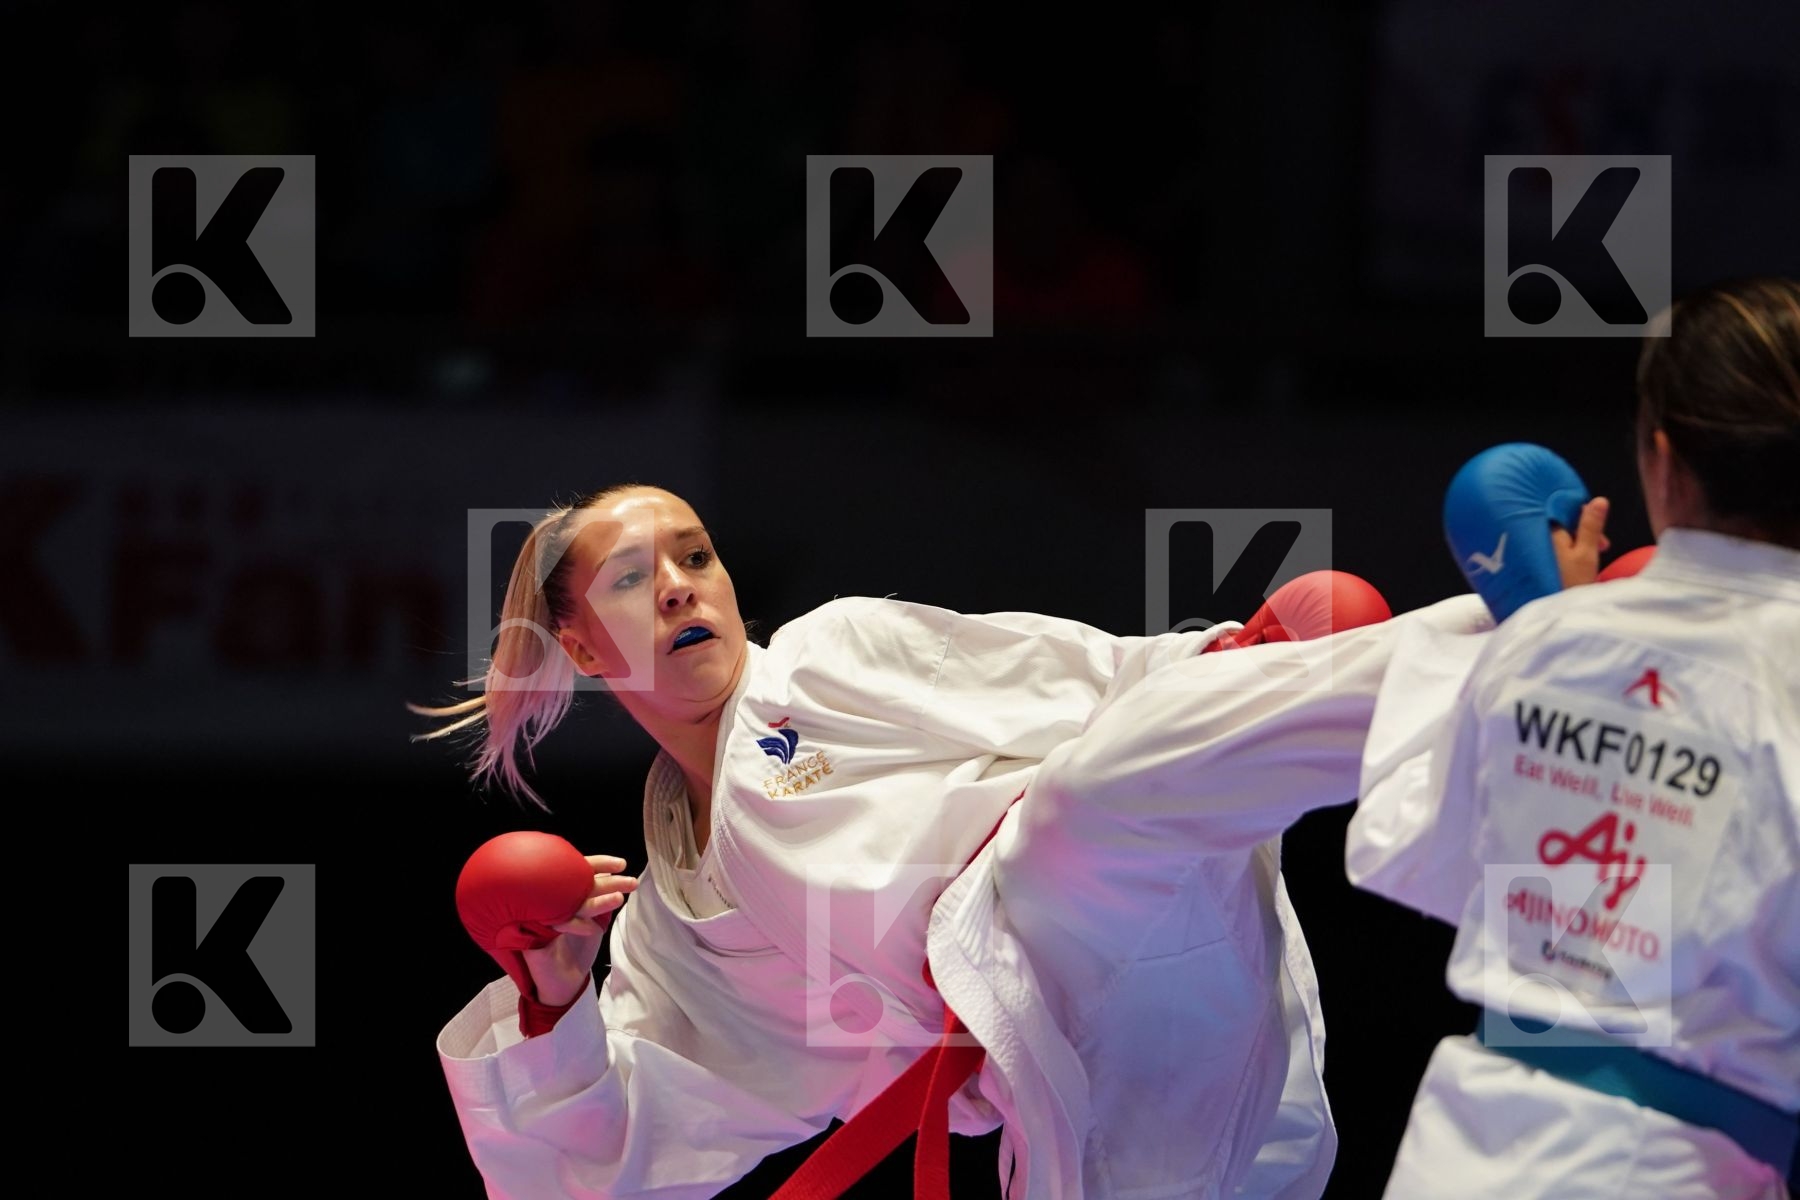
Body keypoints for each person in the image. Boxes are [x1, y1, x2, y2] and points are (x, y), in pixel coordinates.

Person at [413, 481, 1424, 1200]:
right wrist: (552, 1001)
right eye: (631, 578)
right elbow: (612, 1162)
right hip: (1072, 1084)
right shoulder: (673, 930)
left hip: (1112, 901)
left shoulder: (830, 653)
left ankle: (1466, 674)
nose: (680, 585)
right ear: (582, 643)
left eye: (695, 554)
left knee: (1080, 815)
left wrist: (1228, 663)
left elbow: (1079, 678)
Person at [1347, 276, 1800, 1198]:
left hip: (1463, 1146)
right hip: (1688, 1160)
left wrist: (1531, 624)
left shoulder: (1549, 640)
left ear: (1661, 459)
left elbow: (1403, 856)